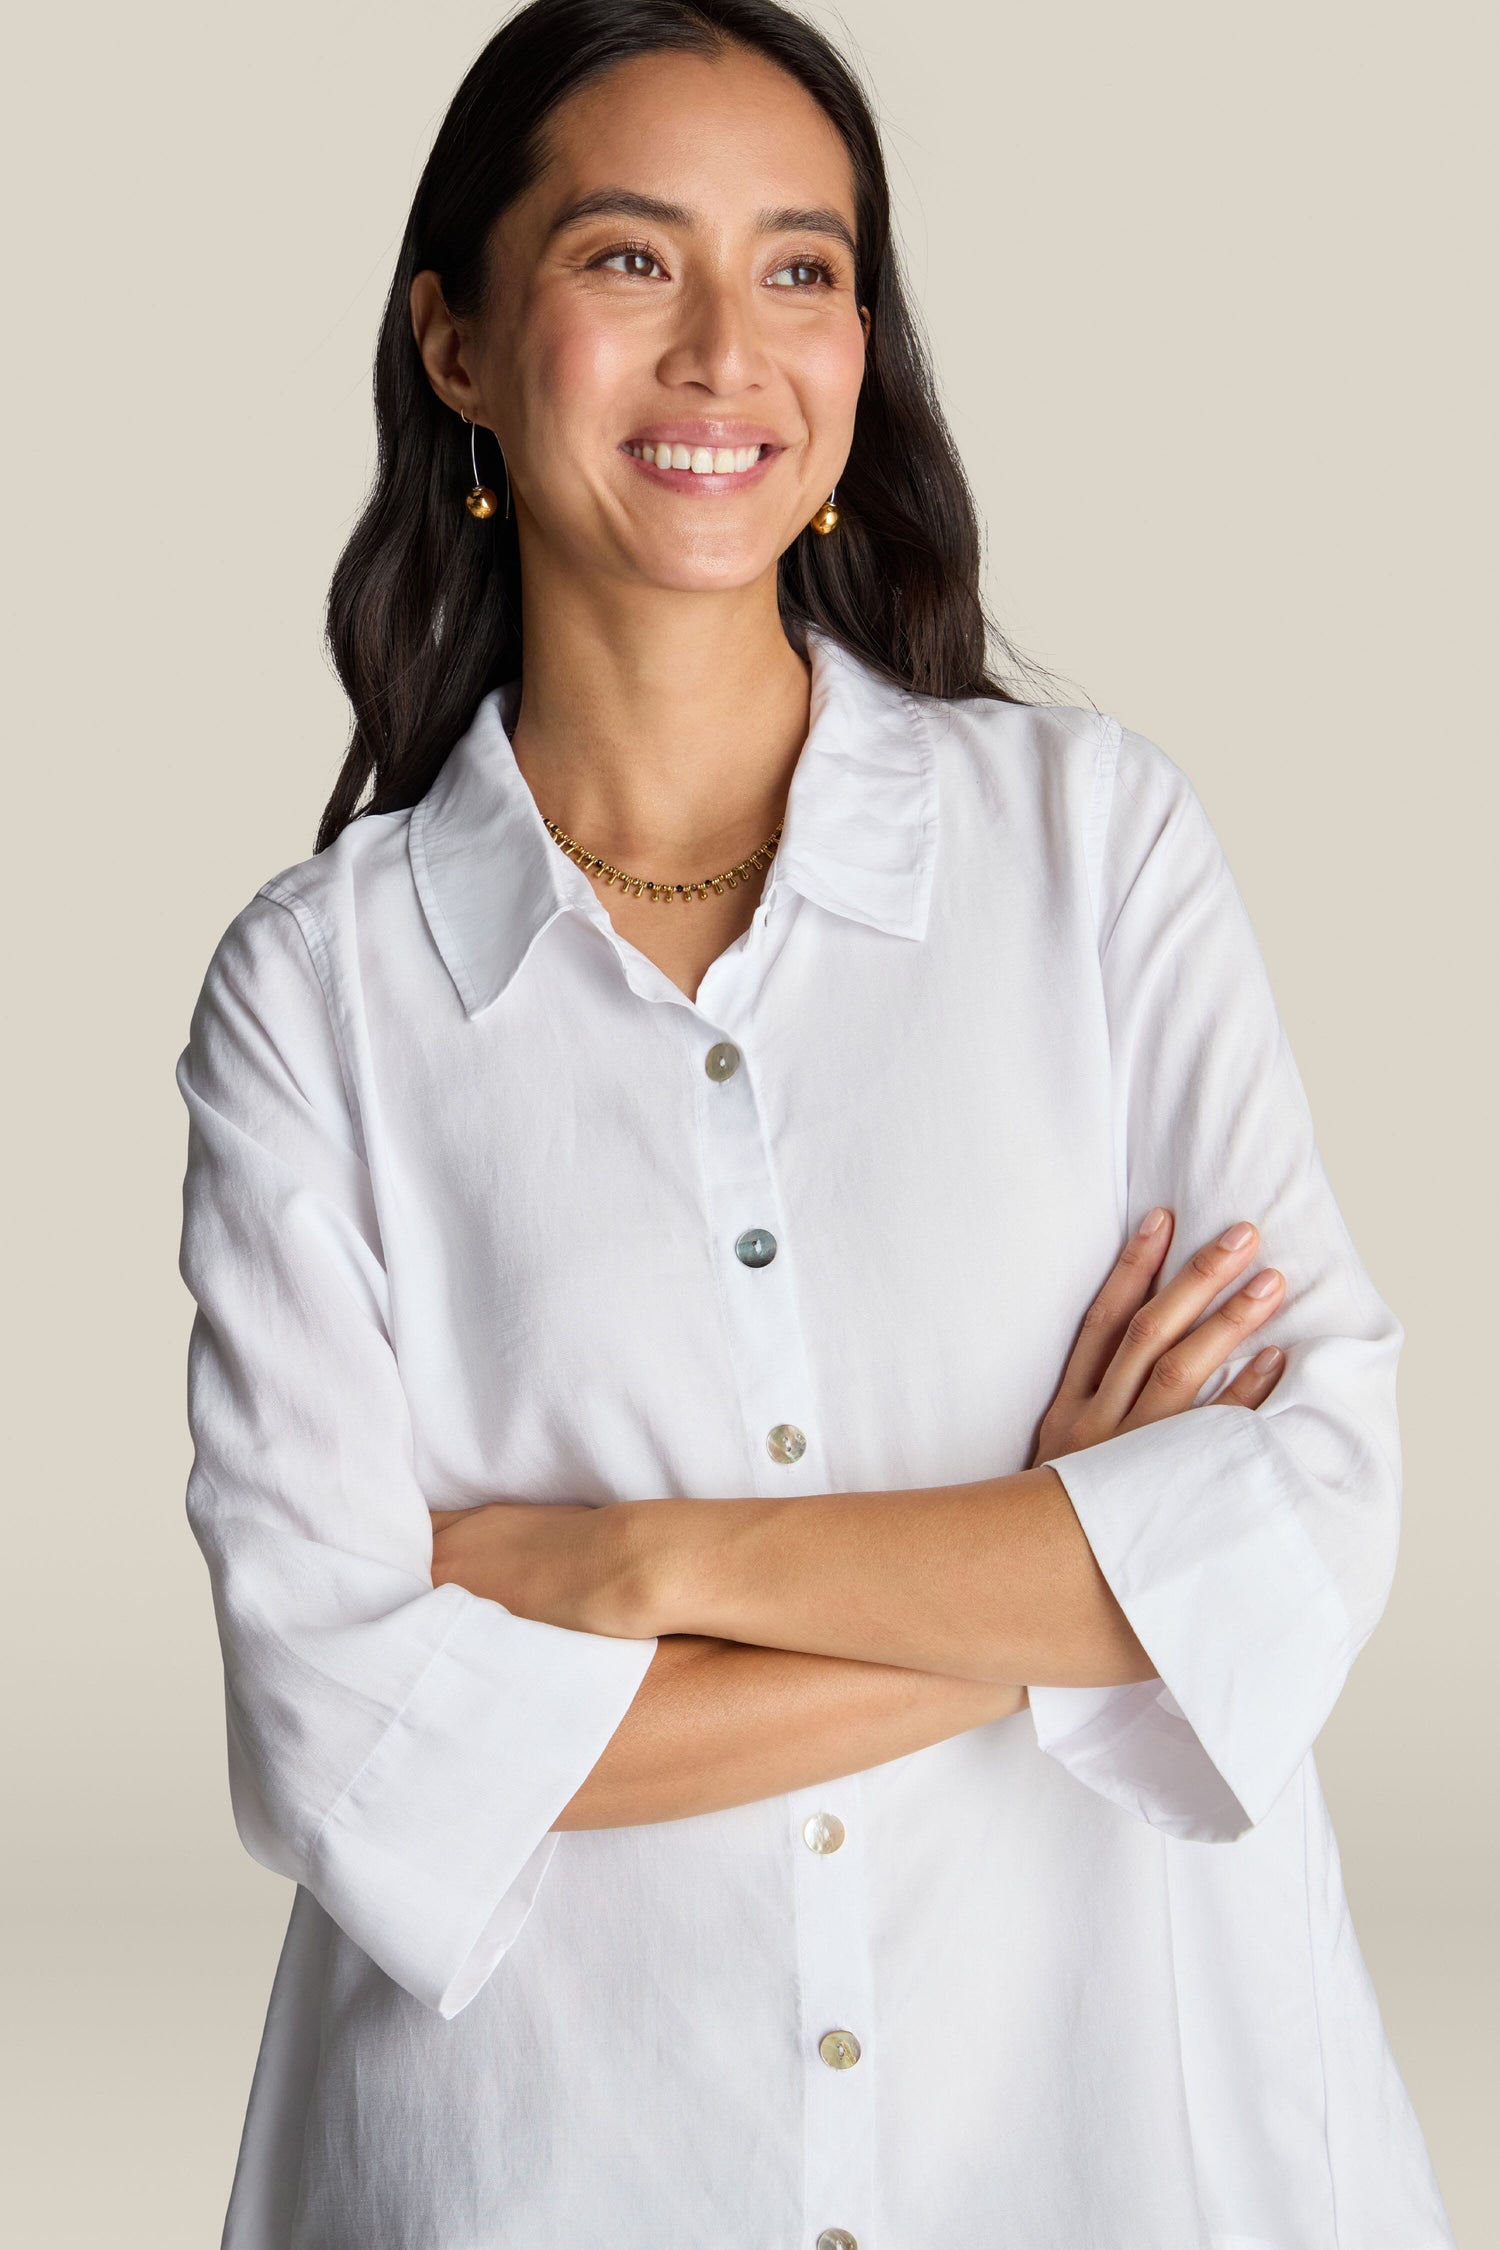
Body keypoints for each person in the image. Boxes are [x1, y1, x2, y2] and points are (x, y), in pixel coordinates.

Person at [175, 2, 1457, 2244]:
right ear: (459, 341)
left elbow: (1306, 1515)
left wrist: (632, 1574)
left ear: (866, 348)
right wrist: (1060, 1565)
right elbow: (353, 1754)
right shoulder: (323, 995)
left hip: (1105, 2149)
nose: (724, 355)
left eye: (801, 267)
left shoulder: (1091, 852)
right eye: (627, 259)